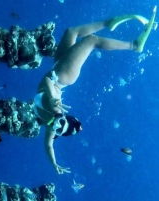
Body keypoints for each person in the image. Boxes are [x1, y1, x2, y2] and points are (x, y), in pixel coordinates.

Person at [34, 7, 157, 174]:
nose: (58, 124)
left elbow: (48, 145)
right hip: (64, 75)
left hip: (56, 70)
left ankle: (109, 22)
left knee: (71, 32)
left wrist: (54, 163)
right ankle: (134, 45)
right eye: (62, 124)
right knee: (91, 41)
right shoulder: (56, 109)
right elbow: (49, 83)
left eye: (57, 128)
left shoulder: (51, 123)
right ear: (65, 118)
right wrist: (54, 99)